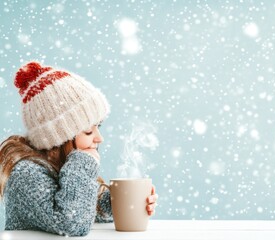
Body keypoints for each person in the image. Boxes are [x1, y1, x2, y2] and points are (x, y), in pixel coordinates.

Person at [0, 62, 158, 236]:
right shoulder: (26, 175)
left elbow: (89, 208)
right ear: (59, 138)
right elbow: (71, 223)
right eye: (89, 131)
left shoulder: (60, 165)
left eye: (98, 126)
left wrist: (124, 203)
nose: (99, 138)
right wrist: (83, 163)